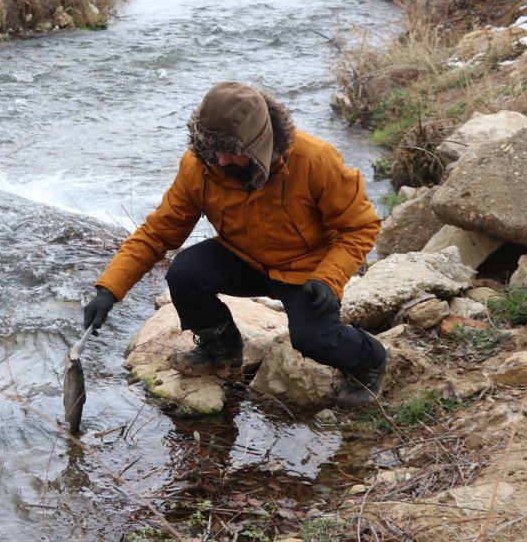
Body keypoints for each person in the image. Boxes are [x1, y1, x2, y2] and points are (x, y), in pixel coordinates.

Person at [83, 81, 388, 410]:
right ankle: (222, 350)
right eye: (212, 149)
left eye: (231, 150)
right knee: (185, 273)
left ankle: (370, 359)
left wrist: (330, 276)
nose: (220, 159)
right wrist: (109, 289)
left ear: (259, 143)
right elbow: (158, 232)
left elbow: (360, 226)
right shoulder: (200, 167)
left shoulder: (314, 160)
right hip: (245, 258)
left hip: (307, 270)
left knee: (314, 341)